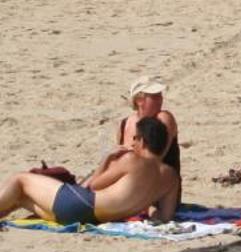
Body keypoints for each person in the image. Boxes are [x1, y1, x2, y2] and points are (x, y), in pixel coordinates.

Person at [0, 115, 179, 227]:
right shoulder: (171, 177)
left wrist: (107, 158)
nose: (132, 143)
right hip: (93, 219)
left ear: (142, 141)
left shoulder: (132, 160)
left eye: (135, 138)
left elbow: (94, 185)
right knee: (22, 198)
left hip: (81, 204)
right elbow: (164, 216)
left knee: (20, 180)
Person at [104, 79, 182, 177]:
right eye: (155, 96)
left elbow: (155, 158)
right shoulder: (124, 124)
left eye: (160, 95)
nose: (160, 99)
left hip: (158, 184)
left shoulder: (163, 118)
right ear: (139, 100)